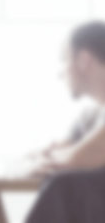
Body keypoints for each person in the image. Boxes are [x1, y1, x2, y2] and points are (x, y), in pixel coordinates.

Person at [35, 22, 105, 175]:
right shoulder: (89, 116)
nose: (60, 74)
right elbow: (61, 150)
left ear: (84, 60)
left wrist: (55, 156)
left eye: (64, 60)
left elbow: (73, 158)